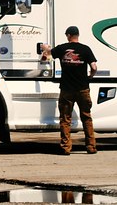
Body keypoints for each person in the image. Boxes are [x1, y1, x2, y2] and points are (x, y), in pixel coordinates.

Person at [41, 25, 98, 155]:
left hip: (67, 89)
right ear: (78, 35)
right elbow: (94, 66)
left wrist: (45, 49)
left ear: (68, 35)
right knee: (86, 117)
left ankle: (66, 147)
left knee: (65, 119)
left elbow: (46, 58)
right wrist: (90, 76)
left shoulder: (62, 48)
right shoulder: (85, 49)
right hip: (83, 89)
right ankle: (91, 146)